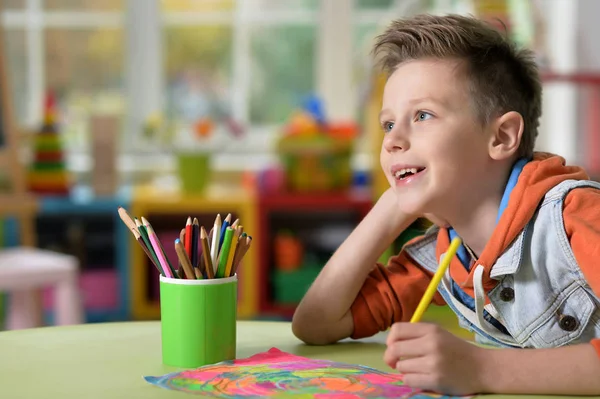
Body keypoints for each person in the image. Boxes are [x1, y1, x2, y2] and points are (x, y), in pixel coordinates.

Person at [291, 13, 600, 396]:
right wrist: (393, 204)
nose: (392, 141)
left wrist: (480, 368)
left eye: (422, 115)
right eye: (388, 124)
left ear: (501, 136)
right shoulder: (446, 254)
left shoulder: (576, 218)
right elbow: (316, 323)